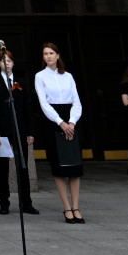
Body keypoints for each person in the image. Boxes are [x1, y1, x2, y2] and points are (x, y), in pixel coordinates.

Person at [36, 42, 85, 222]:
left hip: (71, 120)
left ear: (58, 55)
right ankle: (66, 207)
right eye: (45, 54)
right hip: (54, 121)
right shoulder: (40, 76)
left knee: (74, 167)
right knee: (59, 168)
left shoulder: (68, 76)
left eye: (51, 53)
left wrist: (71, 122)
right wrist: (60, 122)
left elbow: (77, 102)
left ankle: (76, 206)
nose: (48, 56)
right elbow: (44, 103)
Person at [0, 46, 39, 216]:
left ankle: (26, 202)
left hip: (19, 129)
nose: (6, 64)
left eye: (9, 61)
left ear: (13, 63)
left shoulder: (21, 82)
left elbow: (27, 108)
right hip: (2, 130)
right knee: (3, 168)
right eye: (3, 61)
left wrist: (30, 131)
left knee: (23, 167)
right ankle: (4, 202)